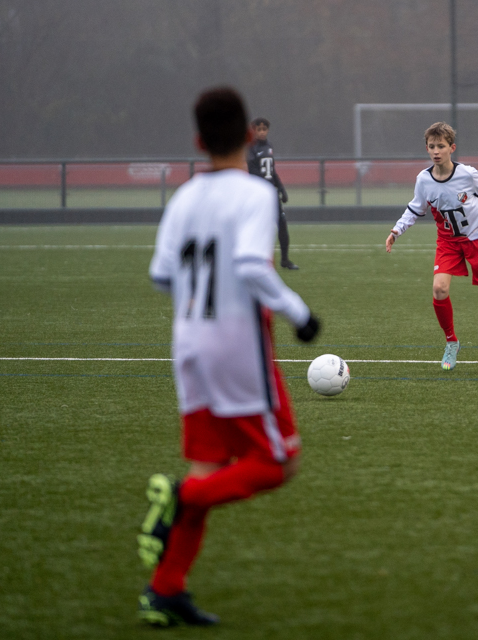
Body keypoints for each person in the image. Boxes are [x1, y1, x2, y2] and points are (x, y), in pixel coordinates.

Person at [137, 86, 320, 627]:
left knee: (209, 462)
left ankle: (164, 588)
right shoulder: (252, 194)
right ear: (247, 136)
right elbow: (249, 264)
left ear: (197, 141)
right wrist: (300, 315)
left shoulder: (185, 197)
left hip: (187, 345)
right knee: (277, 462)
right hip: (236, 345)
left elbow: (161, 273)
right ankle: (179, 498)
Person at [385, 122, 478, 375]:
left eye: (441, 146)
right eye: (431, 146)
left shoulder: (468, 174)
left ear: (452, 148)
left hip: (477, 239)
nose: (436, 151)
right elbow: (415, 208)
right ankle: (451, 342)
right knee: (439, 289)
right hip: (448, 242)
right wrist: (397, 230)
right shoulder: (423, 179)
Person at [247, 116, 298, 270]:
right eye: (259, 129)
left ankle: (285, 259)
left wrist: (281, 189)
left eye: (264, 129)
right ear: (253, 131)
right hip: (260, 194)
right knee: (259, 227)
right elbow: (253, 173)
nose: (262, 132)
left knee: (282, 224)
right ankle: (255, 260)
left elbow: (272, 171)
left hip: (272, 193)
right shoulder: (251, 149)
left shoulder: (269, 146)